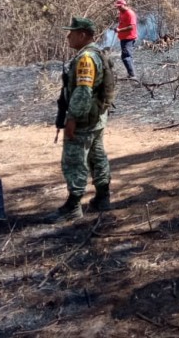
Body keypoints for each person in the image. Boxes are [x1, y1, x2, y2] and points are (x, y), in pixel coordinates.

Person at [49, 17, 112, 221]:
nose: (68, 36)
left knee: (74, 160)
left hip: (85, 119)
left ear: (82, 35)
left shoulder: (86, 58)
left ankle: (73, 206)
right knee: (97, 157)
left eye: (72, 32)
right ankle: (103, 198)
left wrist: (73, 118)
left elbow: (83, 91)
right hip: (97, 118)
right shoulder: (98, 53)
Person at [114, 0, 138, 79]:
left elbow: (132, 27)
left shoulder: (130, 14)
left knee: (126, 56)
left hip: (129, 38)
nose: (118, 8)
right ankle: (131, 73)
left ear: (124, 5)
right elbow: (122, 22)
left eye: (120, 6)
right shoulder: (121, 12)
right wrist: (118, 28)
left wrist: (119, 30)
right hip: (123, 37)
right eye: (117, 7)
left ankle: (132, 75)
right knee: (127, 56)